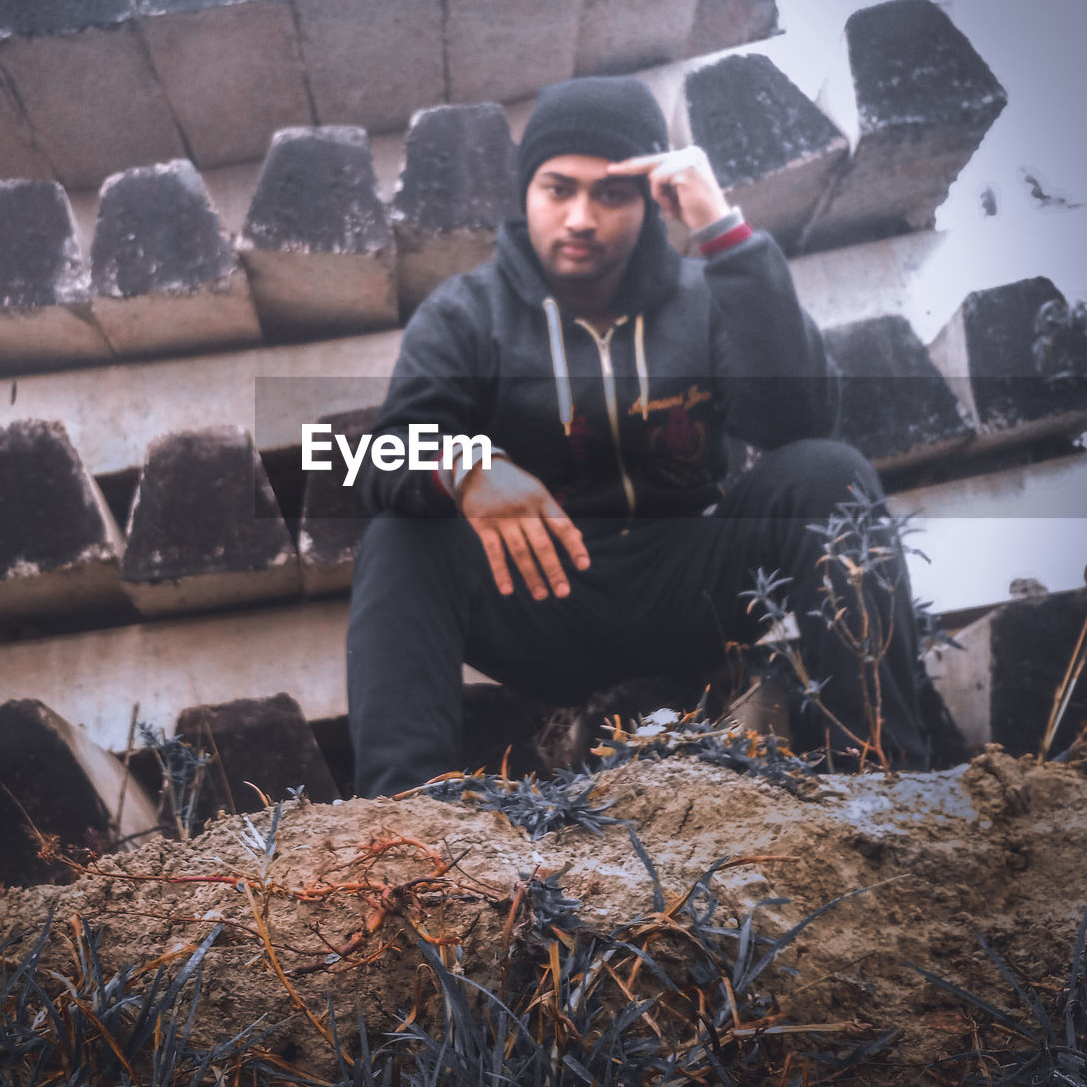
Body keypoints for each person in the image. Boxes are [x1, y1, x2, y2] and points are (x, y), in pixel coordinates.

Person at [345, 76, 932, 797]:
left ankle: (887, 781)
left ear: (652, 202)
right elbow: (371, 454)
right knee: (400, 531)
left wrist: (725, 234)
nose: (581, 217)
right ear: (525, 193)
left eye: (611, 194)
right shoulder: (465, 315)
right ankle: (405, 818)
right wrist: (466, 466)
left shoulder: (706, 295)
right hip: (540, 595)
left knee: (830, 474)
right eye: (558, 189)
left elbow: (799, 421)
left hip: (688, 592)